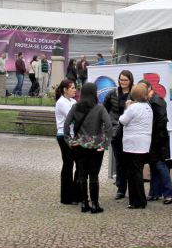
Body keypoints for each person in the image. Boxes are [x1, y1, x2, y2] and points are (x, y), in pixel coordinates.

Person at [64, 82, 112, 214]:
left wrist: (70, 141)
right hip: (96, 147)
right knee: (94, 176)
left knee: (82, 175)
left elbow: (66, 125)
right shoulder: (100, 108)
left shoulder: (75, 107)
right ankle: (95, 204)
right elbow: (109, 127)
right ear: (93, 93)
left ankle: (84, 203)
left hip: (79, 146)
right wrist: (105, 144)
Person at [140, 79, 172, 205]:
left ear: (149, 89)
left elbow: (160, 122)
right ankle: (154, 192)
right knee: (154, 165)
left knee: (160, 165)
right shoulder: (151, 101)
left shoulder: (156, 101)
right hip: (154, 138)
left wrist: (153, 136)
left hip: (157, 139)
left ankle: (169, 193)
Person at [118, 82, 153, 209]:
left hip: (132, 144)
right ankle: (138, 200)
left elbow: (122, 120)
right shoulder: (148, 107)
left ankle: (137, 200)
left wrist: (127, 107)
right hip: (143, 144)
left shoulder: (133, 108)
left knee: (133, 173)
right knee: (137, 171)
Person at [103, 69, 134, 200]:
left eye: (125, 80)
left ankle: (132, 189)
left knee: (130, 161)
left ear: (130, 81)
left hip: (130, 131)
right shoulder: (112, 93)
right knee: (119, 161)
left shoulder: (134, 94)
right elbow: (104, 109)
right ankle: (121, 189)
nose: (123, 82)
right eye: (121, 79)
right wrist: (108, 123)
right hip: (116, 131)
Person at [54, 79, 79, 205]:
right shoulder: (61, 102)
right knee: (68, 165)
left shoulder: (73, 101)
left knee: (75, 164)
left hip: (74, 136)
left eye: (75, 87)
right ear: (65, 90)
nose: (75, 90)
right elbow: (73, 117)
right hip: (64, 136)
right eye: (72, 88)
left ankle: (76, 193)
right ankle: (67, 197)